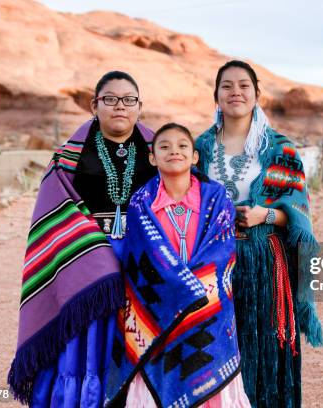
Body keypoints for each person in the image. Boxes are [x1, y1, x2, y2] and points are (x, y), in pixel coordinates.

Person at [8, 71, 157, 406]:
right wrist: (98, 252)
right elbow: (53, 209)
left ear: (139, 106)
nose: (120, 106)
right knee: (87, 338)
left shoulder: (157, 151)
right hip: (84, 259)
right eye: (110, 99)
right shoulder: (69, 156)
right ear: (94, 105)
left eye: (128, 100)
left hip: (143, 259)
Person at [195, 60, 323, 408]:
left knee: (265, 351)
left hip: (264, 264)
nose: (235, 92)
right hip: (211, 266)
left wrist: (263, 214)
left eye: (243, 86)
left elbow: (297, 216)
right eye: (227, 86)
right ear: (216, 95)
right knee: (214, 354)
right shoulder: (199, 148)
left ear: (256, 95)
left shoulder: (280, 149)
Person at [103, 123, 250, 408]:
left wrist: (190, 291)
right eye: (165, 147)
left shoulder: (217, 198)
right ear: (152, 157)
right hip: (157, 310)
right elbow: (139, 260)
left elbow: (221, 252)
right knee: (156, 375)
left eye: (182, 146)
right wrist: (177, 292)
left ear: (195, 157)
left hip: (208, 308)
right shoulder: (140, 203)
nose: (174, 151)